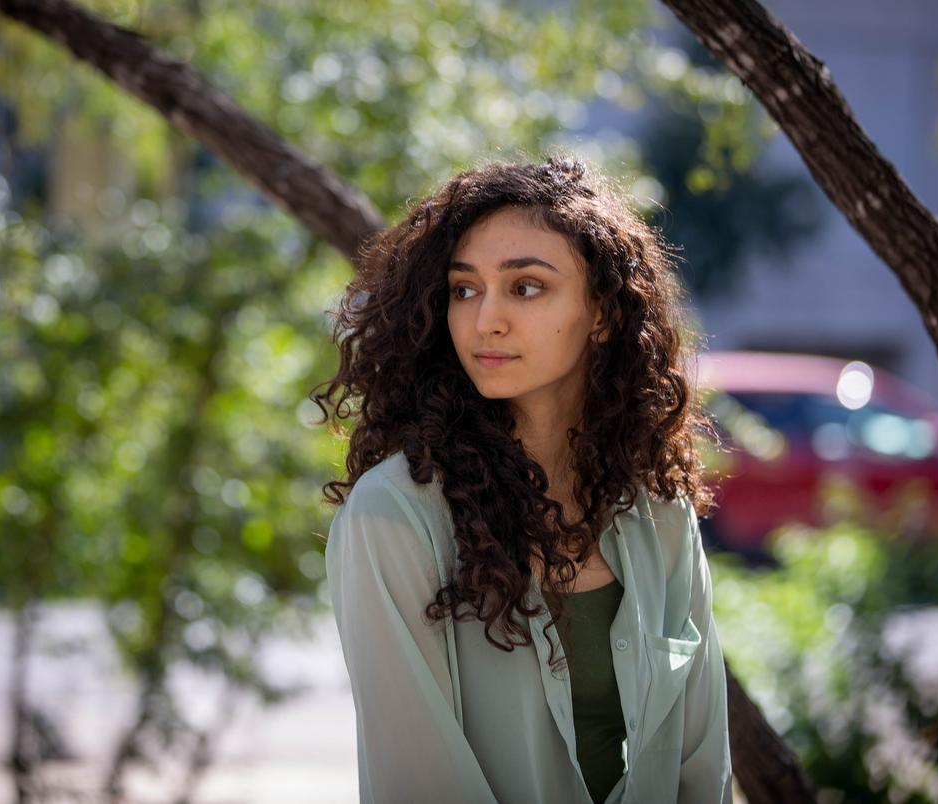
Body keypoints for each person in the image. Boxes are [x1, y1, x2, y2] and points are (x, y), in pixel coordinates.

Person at [311, 154, 732, 804]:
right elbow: (421, 786)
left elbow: (701, 771)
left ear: (604, 313)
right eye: (464, 289)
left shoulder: (659, 513)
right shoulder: (391, 519)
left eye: (526, 287)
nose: (486, 321)